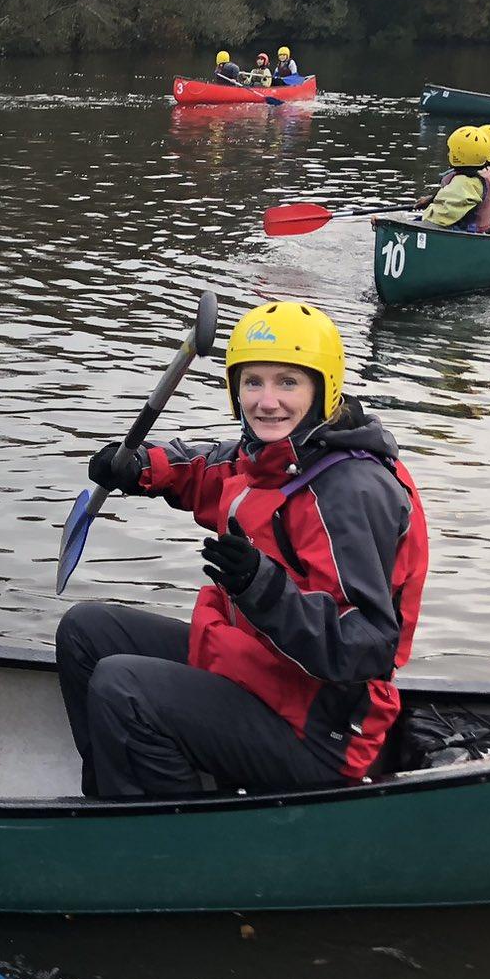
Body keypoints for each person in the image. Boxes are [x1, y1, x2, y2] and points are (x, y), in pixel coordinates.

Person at [56, 301, 429, 799]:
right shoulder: (280, 453)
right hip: (257, 670)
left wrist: (263, 589)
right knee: (85, 631)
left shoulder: (350, 492)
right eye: (253, 382)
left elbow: (365, 647)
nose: (267, 401)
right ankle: (107, 799)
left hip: (323, 727)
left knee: (122, 687)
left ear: (324, 387)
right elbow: (215, 469)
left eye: (287, 382)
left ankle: (169, 832)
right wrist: (142, 466)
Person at [419, 125, 490, 233]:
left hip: (464, 232)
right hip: (474, 230)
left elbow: (442, 216)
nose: (448, 154)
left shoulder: (466, 182)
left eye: (451, 151)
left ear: (461, 155)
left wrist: (426, 214)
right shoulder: (487, 171)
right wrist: (431, 200)